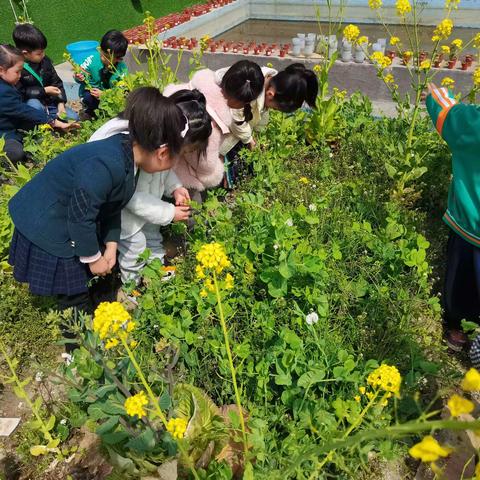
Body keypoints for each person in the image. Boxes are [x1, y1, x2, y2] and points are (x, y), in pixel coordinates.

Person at [8, 86, 186, 348]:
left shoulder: (128, 153)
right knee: (73, 293)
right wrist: (92, 260)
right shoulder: (107, 164)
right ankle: (77, 351)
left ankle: (86, 316)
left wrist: (111, 246)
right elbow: (81, 218)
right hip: (46, 221)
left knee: (87, 271)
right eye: (175, 156)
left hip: (68, 216)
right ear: (162, 152)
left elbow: (113, 205)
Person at [88, 88, 213, 285]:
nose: (184, 155)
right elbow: (131, 198)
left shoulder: (159, 141)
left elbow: (165, 172)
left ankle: (156, 272)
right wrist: (170, 212)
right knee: (135, 246)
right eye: (188, 149)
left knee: (153, 234)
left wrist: (176, 188)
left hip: (145, 204)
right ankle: (132, 285)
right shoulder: (139, 147)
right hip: (121, 211)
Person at [425, 82, 480, 352]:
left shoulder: (473, 124)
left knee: (461, 285)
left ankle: (457, 331)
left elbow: (443, 111)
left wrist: (437, 93)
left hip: (469, 229)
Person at [215, 61, 319, 187]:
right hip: (215, 118)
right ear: (270, 94)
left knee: (242, 150)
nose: (271, 110)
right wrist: (250, 140)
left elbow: (260, 114)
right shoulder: (249, 89)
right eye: (275, 108)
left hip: (231, 121)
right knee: (229, 153)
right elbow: (236, 120)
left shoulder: (270, 82)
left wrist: (256, 135)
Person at [0, 44, 73, 164]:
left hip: (12, 121)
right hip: (5, 131)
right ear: (1, 70)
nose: (20, 75)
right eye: (17, 72)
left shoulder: (6, 83)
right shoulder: (3, 92)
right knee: (15, 152)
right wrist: (54, 121)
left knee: (35, 123)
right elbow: (24, 111)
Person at [12, 23, 78, 121]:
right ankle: (42, 123)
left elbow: (57, 83)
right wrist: (43, 91)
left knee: (74, 117)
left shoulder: (45, 61)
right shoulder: (17, 68)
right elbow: (20, 92)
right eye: (39, 53)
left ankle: (51, 119)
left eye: (44, 51)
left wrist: (60, 103)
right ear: (25, 53)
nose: (43, 55)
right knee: (34, 105)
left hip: (50, 104)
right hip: (32, 106)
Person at [74, 30, 128, 117]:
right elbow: (80, 74)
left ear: (118, 59)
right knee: (89, 98)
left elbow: (121, 90)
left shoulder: (122, 69)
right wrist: (78, 77)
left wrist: (105, 95)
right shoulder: (91, 59)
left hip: (111, 98)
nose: (102, 58)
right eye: (102, 54)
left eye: (107, 57)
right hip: (92, 94)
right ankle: (90, 112)